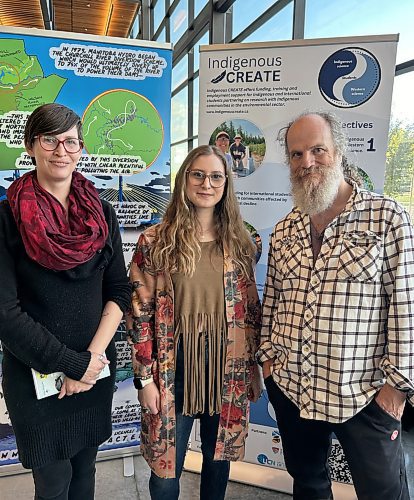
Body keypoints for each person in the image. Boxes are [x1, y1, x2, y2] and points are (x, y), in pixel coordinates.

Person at [258, 111, 414, 500]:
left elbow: (406, 307)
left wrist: (396, 389)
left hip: (363, 395)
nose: (306, 162)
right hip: (294, 389)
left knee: (383, 492)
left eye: (317, 150)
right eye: (296, 154)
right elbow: (273, 298)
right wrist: (269, 364)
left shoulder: (387, 218)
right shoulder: (285, 228)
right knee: (308, 484)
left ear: (339, 152)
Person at [0, 103, 130, 500]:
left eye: (70, 141)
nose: (61, 150)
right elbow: (4, 314)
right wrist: (71, 364)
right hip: (37, 382)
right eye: (49, 139)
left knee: (85, 471)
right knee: (54, 484)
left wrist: (89, 363)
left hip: (93, 374)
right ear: (30, 146)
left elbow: (118, 290)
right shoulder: (6, 218)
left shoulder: (102, 213)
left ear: (81, 148)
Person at [127, 145, 261, 500]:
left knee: (219, 459)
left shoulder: (242, 242)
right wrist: (144, 379)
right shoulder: (156, 242)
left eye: (216, 176)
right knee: (166, 468)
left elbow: (250, 309)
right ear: (184, 179)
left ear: (226, 184)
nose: (207, 183)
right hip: (174, 369)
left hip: (226, 368)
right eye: (198, 174)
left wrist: (254, 366)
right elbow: (139, 313)